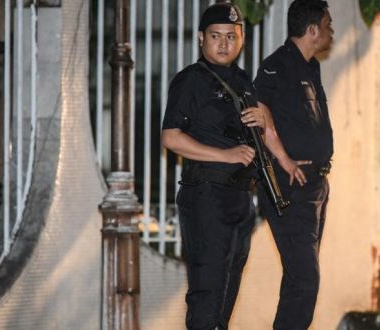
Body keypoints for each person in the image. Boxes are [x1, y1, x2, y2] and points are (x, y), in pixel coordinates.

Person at [161, 3, 267, 329]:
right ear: (200, 39)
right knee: (207, 294)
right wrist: (226, 155)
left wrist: (265, 118)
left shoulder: (242, 80)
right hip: (206, 196)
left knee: (226, 294)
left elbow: (257, 138)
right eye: (216, 36)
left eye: (231, 37)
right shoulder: (190, 81)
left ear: (242, 39)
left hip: (239, 198)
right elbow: (171, 137)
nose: (223, 43)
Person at [254, 0, 334, 329]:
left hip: (316, 186)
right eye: (328, 24)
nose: (332, 30)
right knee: (305, 281)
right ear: (312, 29)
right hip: (291, 187)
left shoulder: (310, 66)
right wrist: (284, 159)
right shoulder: (277, 65)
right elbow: (258, 113)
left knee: (298, 280)